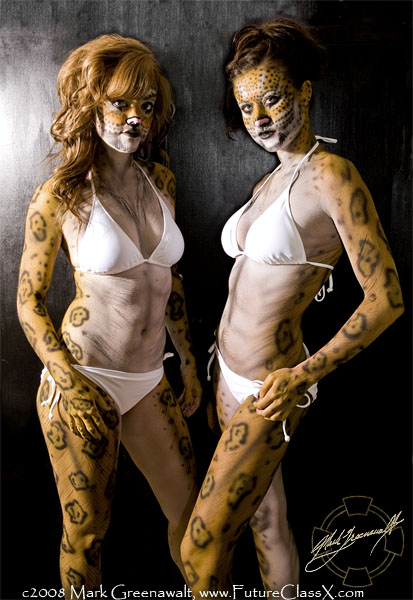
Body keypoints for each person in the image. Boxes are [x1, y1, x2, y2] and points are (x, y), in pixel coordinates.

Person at [181, 17, 404, 594]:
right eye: (246, 106)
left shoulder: (332, 176)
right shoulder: (270, 181)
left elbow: (387, 299)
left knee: (200, 547)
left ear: (305, 91)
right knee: (267, 522)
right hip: (227, 376)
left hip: (271, 386)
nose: (258, 118)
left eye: (273, 98)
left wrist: (303, 374)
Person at [17, 34, 202, 596]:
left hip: (149, 377)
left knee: (193, 519)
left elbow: (168, 282)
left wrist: (188, 361)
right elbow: (28, 302)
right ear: (91, 103)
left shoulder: (161, 181)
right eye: (120, 103)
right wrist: (69, 383)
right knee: (87, 533)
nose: (134, 118)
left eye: (146, 105)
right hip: (85, 375)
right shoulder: (60, 194)